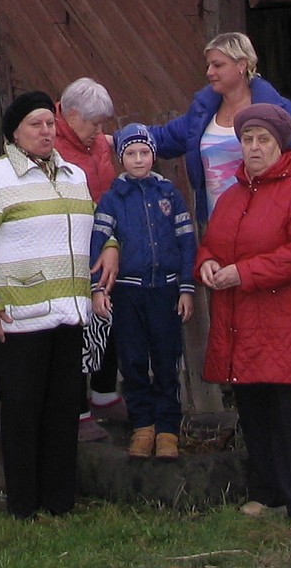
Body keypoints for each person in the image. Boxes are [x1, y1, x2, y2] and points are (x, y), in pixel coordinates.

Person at [0, 90, 95, 519]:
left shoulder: (74, 176)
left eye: (50, 123)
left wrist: (111, 246)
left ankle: (59, 501)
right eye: (36, 124)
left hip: (68, 314)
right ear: (14, 133)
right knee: (22, 413)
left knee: (63, 411)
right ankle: (23, 506)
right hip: (19, 318)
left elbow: (87, 231)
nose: (46, 131)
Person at [196, 102, 291, 534]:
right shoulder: (233, 196)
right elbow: (212, 244)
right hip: (242, 320)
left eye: (263, 140)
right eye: (248, 139)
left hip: (285, 320)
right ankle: (267, 491)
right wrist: (208, 265)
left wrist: (244, 273)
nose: (253, 147)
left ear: (280, 145)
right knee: (253, 409)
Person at [90, 123, 195, 460]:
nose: (138, 159)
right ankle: (142, 426)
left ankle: (167, 430)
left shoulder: (169, 195)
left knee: (166, 361)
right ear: (121, 158)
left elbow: (187, 242)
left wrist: (186, 287)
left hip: (164, 290)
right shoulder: (112, 199)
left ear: (153, 155)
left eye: (144, 152)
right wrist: (98, 289)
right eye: (131, 153)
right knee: (133, 361)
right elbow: (97, 244)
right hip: (127, 292)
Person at [148, 32, 291, 221]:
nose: (209, 72)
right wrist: (121, 139)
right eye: (208, 65)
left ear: (241, 65)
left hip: (266, 224)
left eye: (218, 65)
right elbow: (165, 137)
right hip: (216, 225)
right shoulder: (202, 113)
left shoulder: (276, 110)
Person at [54, 77, 123, 441]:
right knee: (78, 326)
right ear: (72, 114)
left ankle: (105, 392)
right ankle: (77, 409)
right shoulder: (53, 144)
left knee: (107, 313)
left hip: (103, 241)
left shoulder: (96, 142)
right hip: (71, 246)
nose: (100, 132)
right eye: (94, 123)